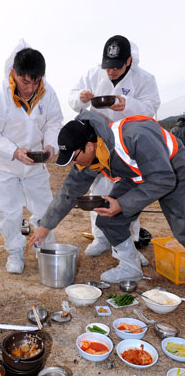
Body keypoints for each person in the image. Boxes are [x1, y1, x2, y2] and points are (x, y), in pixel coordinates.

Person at [29, 109, 185, 283]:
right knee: (108, 219)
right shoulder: (93, 154)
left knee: (182, 227)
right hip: (137, 176)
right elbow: (69, 191)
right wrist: (46, 225)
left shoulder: (135, 135)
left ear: (89, 146)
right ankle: (130, 267)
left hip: (174, 171)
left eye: (74, 157)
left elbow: (163, 179)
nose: (74, 163)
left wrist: (123, 203)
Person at [68, 35, 160, 261]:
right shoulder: (92, 74)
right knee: (99, 191)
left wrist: (127, 105)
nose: (111, 72)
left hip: (129, 145)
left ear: (128, 61)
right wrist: (80, 98)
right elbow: (72, 99)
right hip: (99, 144)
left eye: (116, 67)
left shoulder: (145, 79)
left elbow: (151, 108)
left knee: (128, 194)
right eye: (107, 67)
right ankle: (100, 238)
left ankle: (129, 242)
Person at [0, 39, 63, 274]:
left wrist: (49, 146)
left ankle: (44, 249)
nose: (30, 88)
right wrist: (14, 151)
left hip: (35, 166)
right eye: (25, 81)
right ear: (14, 73)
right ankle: (15, 252)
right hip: (5, 167)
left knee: (45, 209)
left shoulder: (48, 92)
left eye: (36, 82)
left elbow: (54, 122)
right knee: (9, 213)